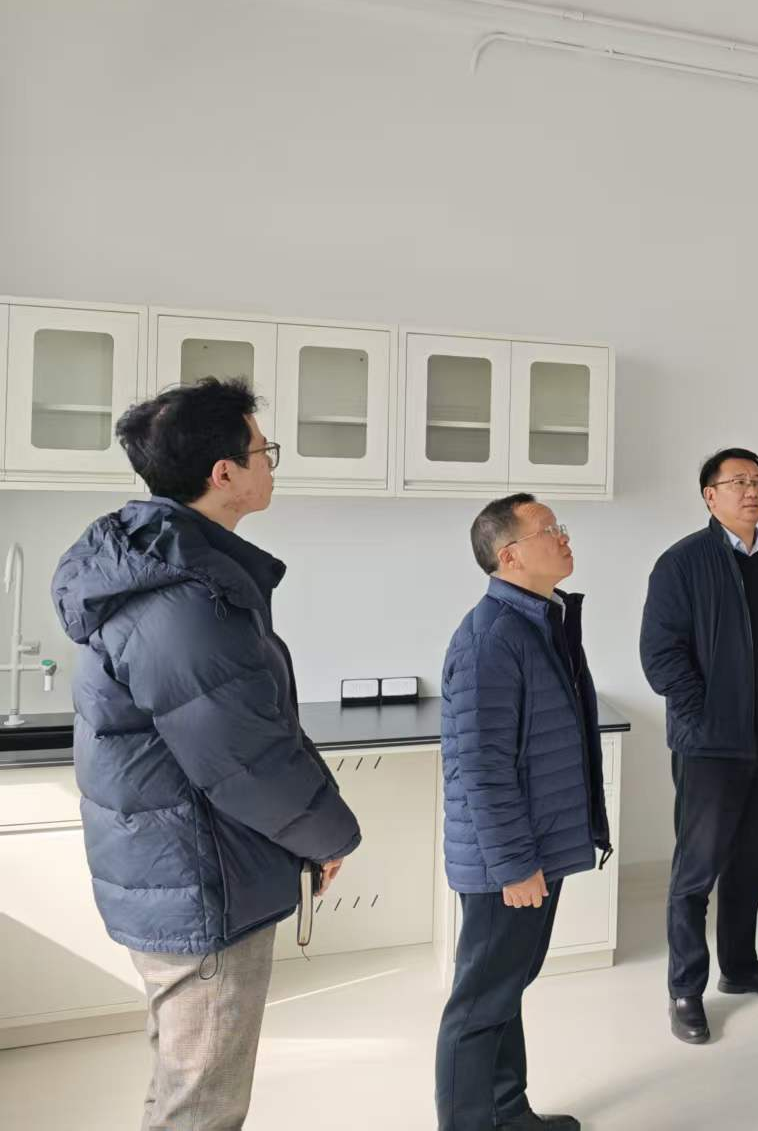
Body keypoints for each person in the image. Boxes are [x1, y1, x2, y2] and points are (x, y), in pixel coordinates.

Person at [50, 377, 361, 1131]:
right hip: (203, 879)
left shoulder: (163, 569)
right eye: (263, 450)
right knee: (202, 1101)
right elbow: (244, 758)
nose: (270, 464)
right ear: (224, 472)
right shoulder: (183, 599)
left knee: (183, 1081)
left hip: (185, 868)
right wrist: (329, 835)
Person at [436, 494, 610, 1131]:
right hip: (506, 862)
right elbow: (480, 768)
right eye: (548, 530)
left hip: (531, 848)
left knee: (505, 990)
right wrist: (513, 865)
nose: (563, 537)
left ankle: (508, 1115)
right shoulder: (490, 638)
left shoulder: (538, 621)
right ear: (509, 556)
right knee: (479, 1004)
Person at [639, 448, 758, 1046]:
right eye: (737, 481)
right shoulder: (682, 561)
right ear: (710, 495)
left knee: (754, 861)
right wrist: (703, 716)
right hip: (711, 745)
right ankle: (685, 990)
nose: (751, 490)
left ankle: (740, 966)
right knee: (697, 872)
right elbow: (660, 654)